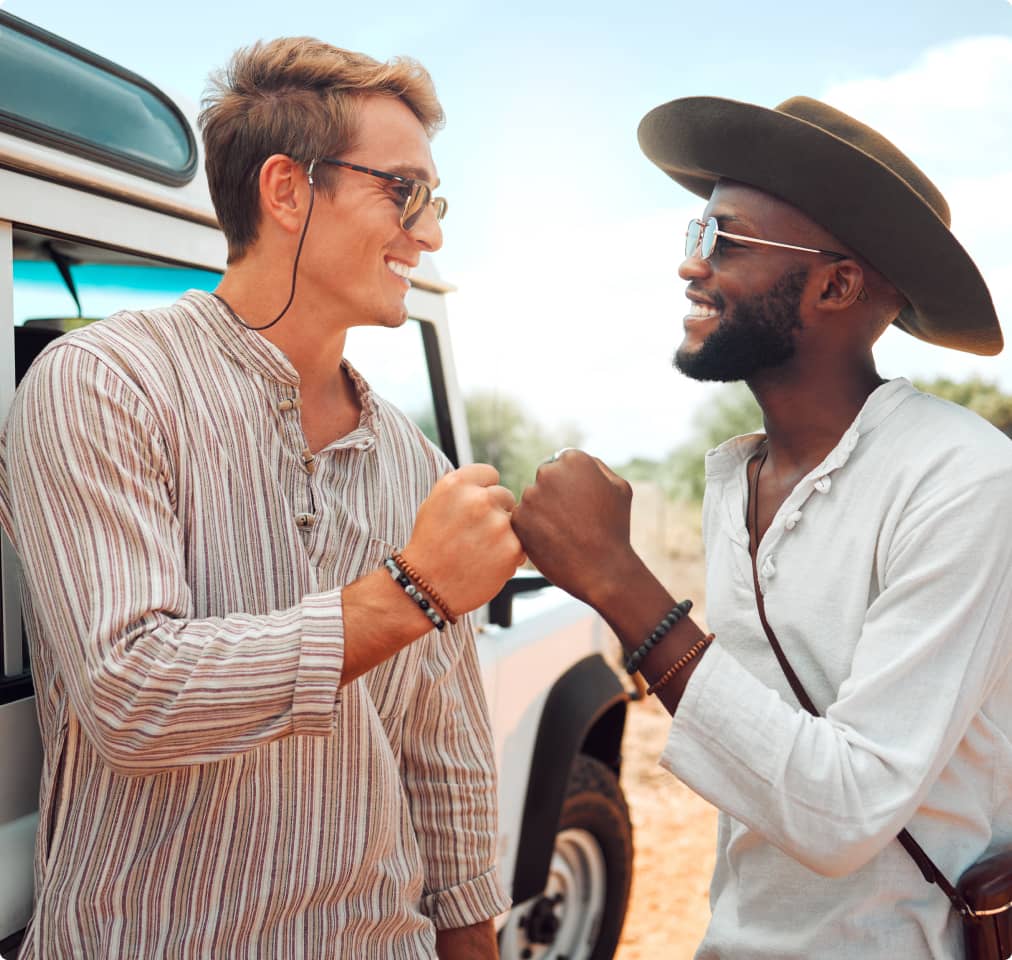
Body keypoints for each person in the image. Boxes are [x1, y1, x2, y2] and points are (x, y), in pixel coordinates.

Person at [0, 37, 522, 959]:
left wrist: (473, 942)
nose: (430, 234)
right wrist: (410, 592)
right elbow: (131, 692)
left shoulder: (417, 464)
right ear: (287, 190)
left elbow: (444, 752)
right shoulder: (106, 383)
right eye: (402, 192)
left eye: (433, 202)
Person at [511, 95, 1012, 958]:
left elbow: (846, 811)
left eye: (726, 241)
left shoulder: (964, 481)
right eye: (694, 234)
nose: (690, 265)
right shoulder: (735, 478)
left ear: (835, 284)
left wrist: (617, 581)